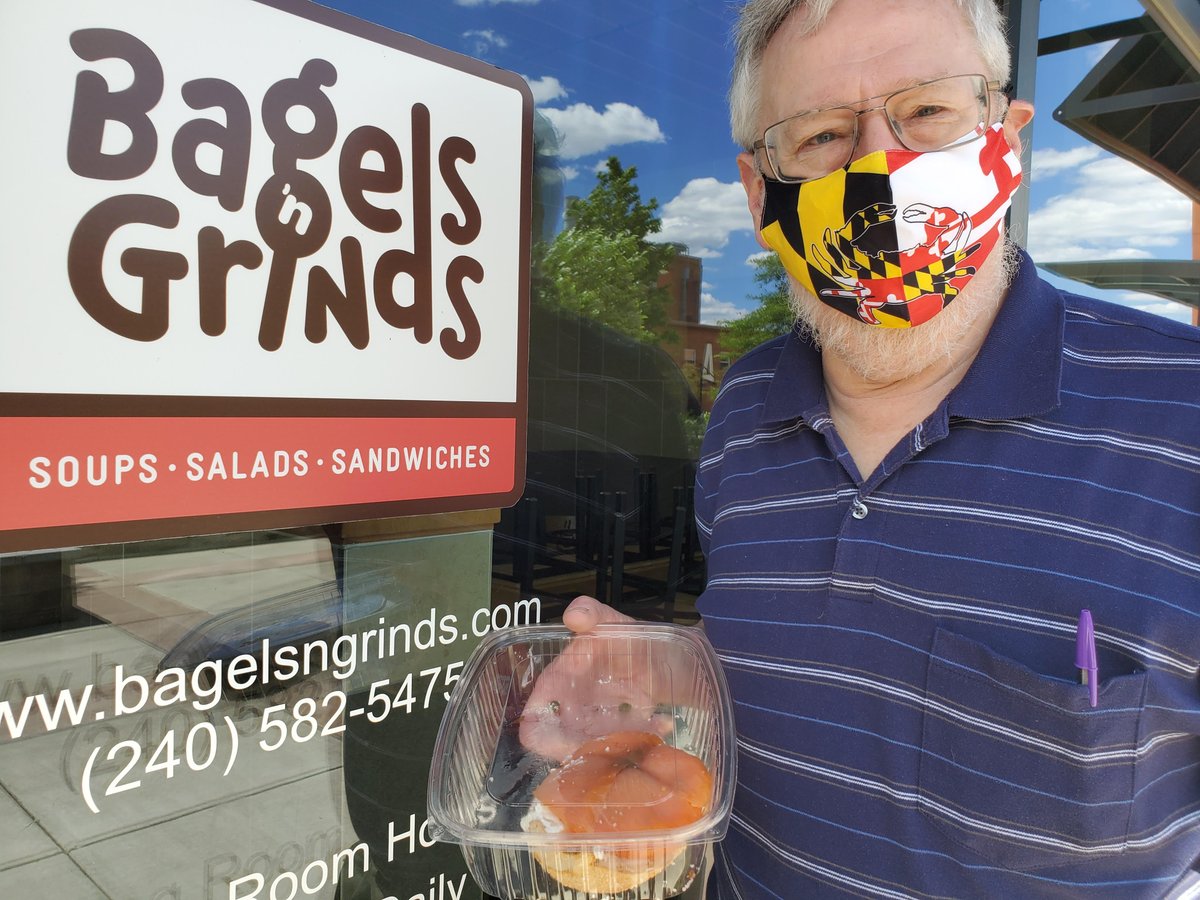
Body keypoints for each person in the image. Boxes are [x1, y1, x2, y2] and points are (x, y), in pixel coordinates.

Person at [523, 0, 1200, 896]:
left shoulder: (1181, 411)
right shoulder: (745, 410)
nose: (881, 166)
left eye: (927, 113)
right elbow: (829, 653)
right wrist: (680, 666)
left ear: (1008, 136)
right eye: (822, 136)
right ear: (761, 195)